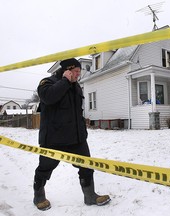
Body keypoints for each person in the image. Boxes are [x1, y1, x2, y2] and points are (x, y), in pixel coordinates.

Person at [33, 58, 111, 211]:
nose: (78, 75)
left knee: (87, 166)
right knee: (44, 169)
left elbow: (77, 112)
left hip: (76, 139)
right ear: (67, 70)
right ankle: (39, 196)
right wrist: (64, 81)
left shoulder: (76, 87)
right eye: (75, 72)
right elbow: (48, 97)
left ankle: (90, 196)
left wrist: (83, 131)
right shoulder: (47, 83)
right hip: (53, 139)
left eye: (79, 73)